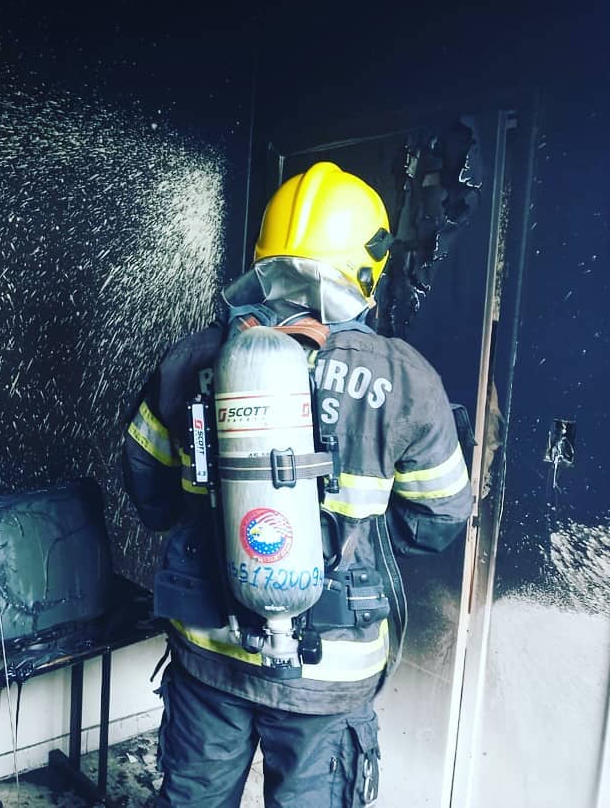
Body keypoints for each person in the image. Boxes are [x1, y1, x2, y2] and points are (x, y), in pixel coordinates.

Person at [122, 161, 473, 807]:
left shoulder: (188, 358)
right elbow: (440, 520)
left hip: (210, 649)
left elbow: (148, 490)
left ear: (264, 256)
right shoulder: (407, 379)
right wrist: (354, 537)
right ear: (368, 265)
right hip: (329, 663)